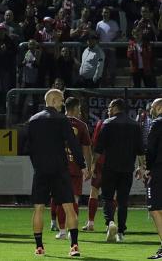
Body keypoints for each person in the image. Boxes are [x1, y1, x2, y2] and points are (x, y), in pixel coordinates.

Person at [26, 89, 87, 257]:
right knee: (69, 207)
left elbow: (28, 148)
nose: (62, 104)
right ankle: (74, 246)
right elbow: (74, 144)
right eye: (61, 101)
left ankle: (39, 247)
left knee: (38, 208)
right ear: (53, 100)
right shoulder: (62, 120)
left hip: (40, 170)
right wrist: (82, 165)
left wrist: (37, 165)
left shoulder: (32, 120)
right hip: (60, 169)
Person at [92, 98, 145, 243]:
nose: (108, 111)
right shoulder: (134, 125)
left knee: (107, 198)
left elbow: (98, 149)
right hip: (127, 168)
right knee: (123, 201)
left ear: (115, 107)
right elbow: (140, 150)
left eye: (109, 108)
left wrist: (92, 166)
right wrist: (141, 167)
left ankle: (110, 222)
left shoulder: (107, 124)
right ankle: (121, 232)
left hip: (110, 168)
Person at [53, 97, 92, 240]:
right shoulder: (82, 125)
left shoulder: (56, 122)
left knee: (60, 200)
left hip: (59, 167)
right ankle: (72, 231)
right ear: (75, 108)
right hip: (75, 167)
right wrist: (88, 167)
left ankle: (62, 231)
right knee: (74, 199)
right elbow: (86, 149)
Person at [145, 98, 162, 259]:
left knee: (155, 208)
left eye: (153, 107)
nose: (151, 109)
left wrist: (147, 168)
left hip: (159, 171)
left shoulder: (156, 123)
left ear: (158, 107)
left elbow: (150, 149)